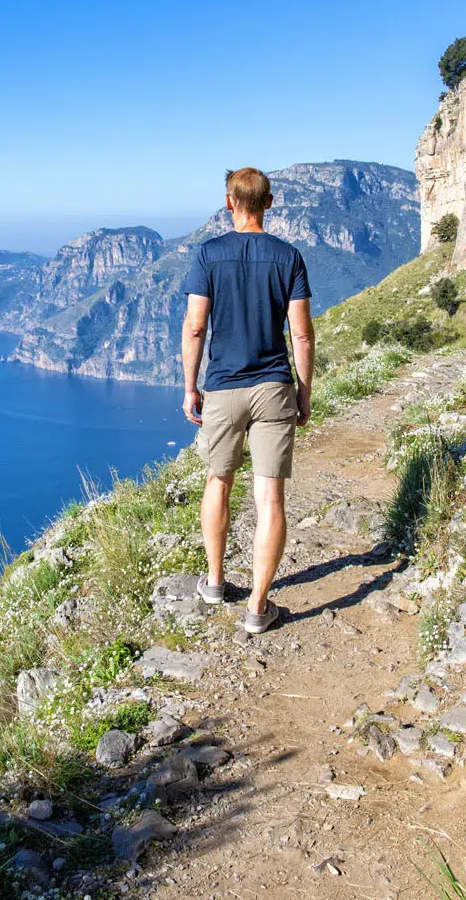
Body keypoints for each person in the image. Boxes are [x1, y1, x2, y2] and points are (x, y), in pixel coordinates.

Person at [180, 167, 314, 635]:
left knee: (219, 480)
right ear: (269, 202)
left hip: (222, 388)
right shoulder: (289, 257)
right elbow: (300, 332)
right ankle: (258, 606)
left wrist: (190, 386)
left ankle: (215, 582)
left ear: (228, 202)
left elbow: (196, 326)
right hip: (274, 386)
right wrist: (303, 390)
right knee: (269, 494)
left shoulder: (209, 254)